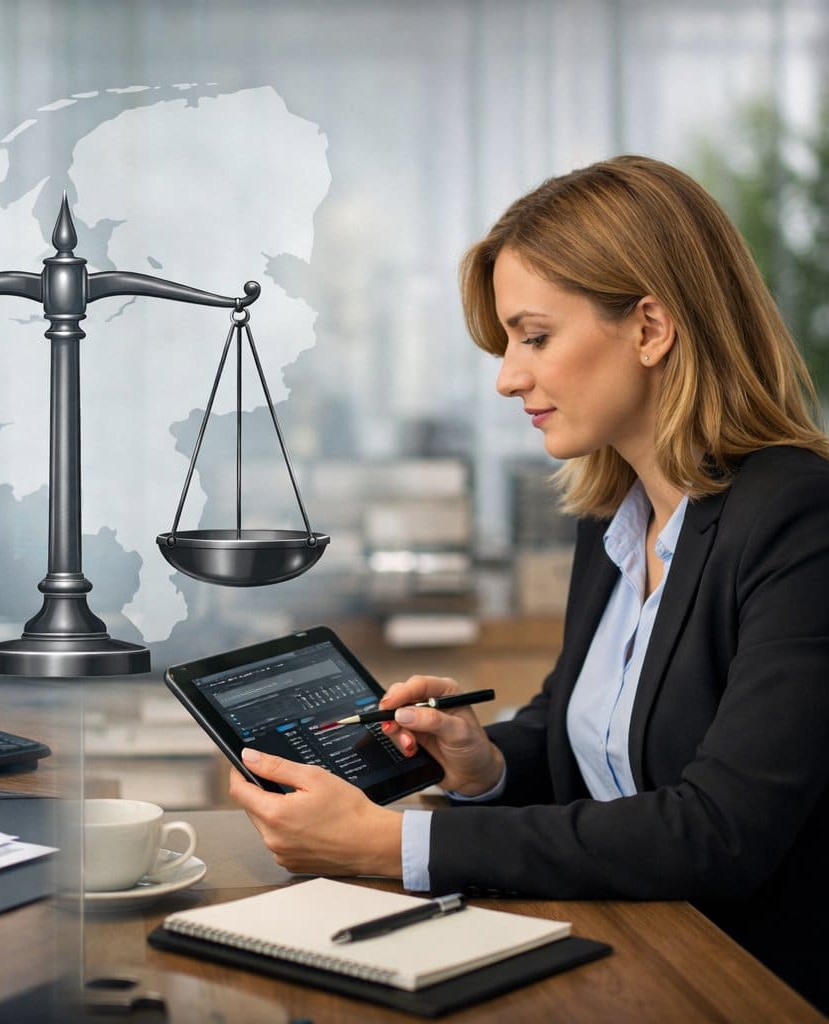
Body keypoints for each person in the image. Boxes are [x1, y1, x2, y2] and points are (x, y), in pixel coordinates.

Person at [227, 155, 829, 1010]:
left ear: (651, 328)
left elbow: (720, 831)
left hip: (737, 985)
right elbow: (577, 734)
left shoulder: (799, 519)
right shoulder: (615, 514)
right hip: (620, 950)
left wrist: (393, 846)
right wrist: (481, 764)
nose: (509, 377)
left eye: (534, 337)